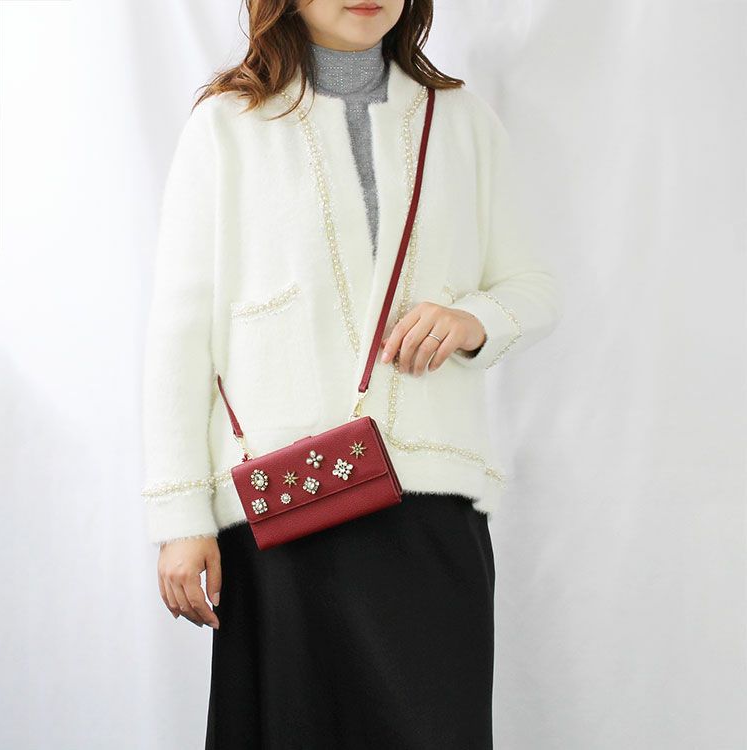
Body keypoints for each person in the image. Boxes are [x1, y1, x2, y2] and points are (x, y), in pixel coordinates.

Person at [140, 0, 563, 747]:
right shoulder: (228, 126)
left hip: (430, 507)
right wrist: (181, 520)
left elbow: (533, 288)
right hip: (285, 507)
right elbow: (180, 338)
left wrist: (473, 320)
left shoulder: (461, 121)